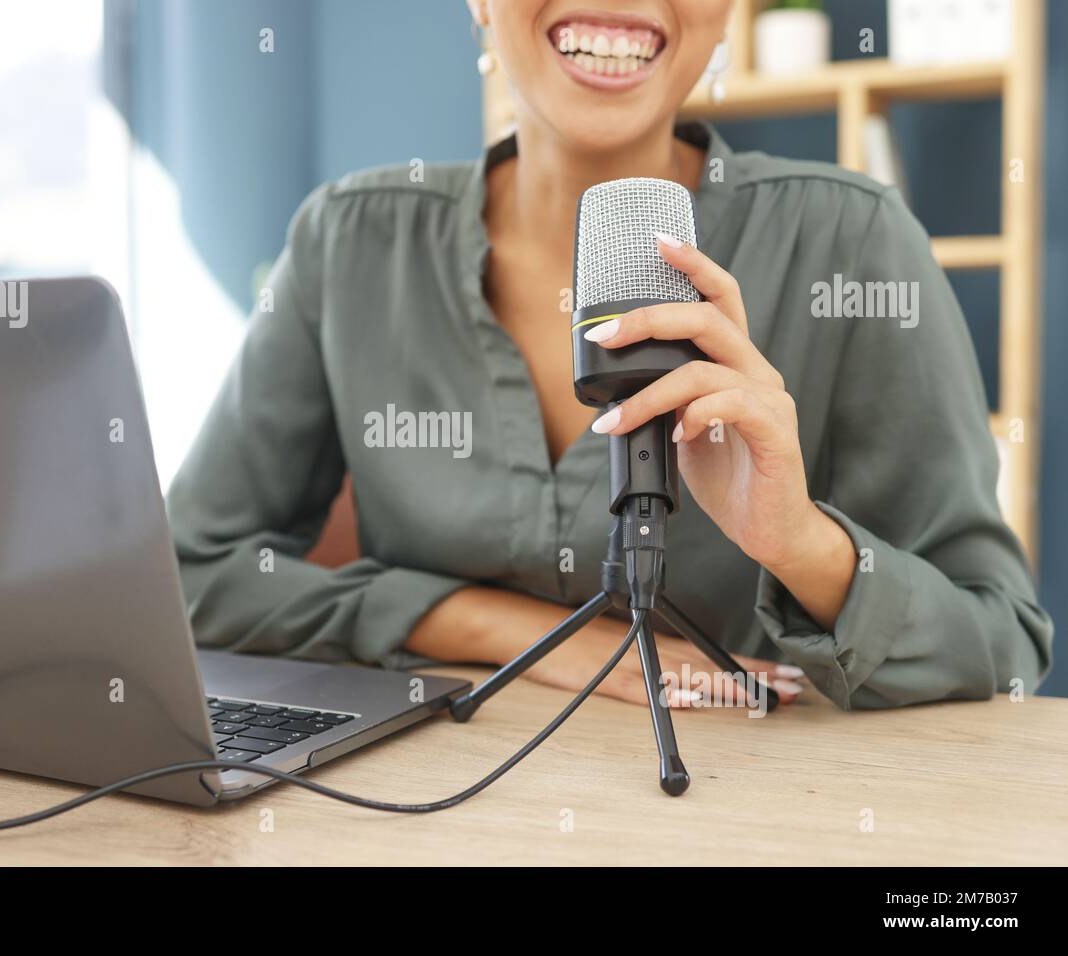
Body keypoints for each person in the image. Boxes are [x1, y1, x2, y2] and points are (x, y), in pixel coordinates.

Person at [166, 0, 1051, 710]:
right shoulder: (349, 241)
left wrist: (798, 543)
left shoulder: (852, 241)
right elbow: (190, 570)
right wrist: (498, 628)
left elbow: (1002, 641)